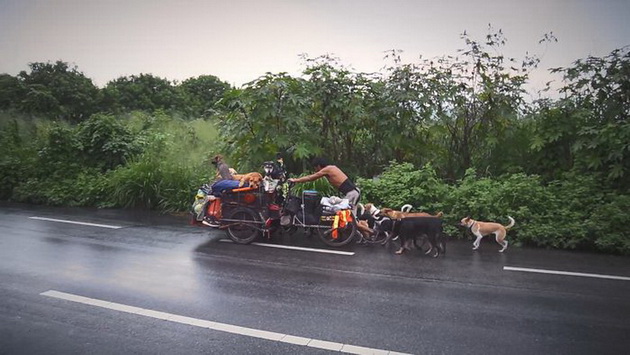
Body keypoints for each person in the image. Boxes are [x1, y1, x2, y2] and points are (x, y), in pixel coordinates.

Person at [288, 157, 361, 214]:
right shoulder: (333, 167)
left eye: (315, 167)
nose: (316, 170)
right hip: (354, 192)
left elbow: (310, 178)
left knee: (340, 213)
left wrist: (295, 180)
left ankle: (334, 232)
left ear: (319, 166)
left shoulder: (327, 169)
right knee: (351, 221)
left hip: (352, 194)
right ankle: (366, 232)